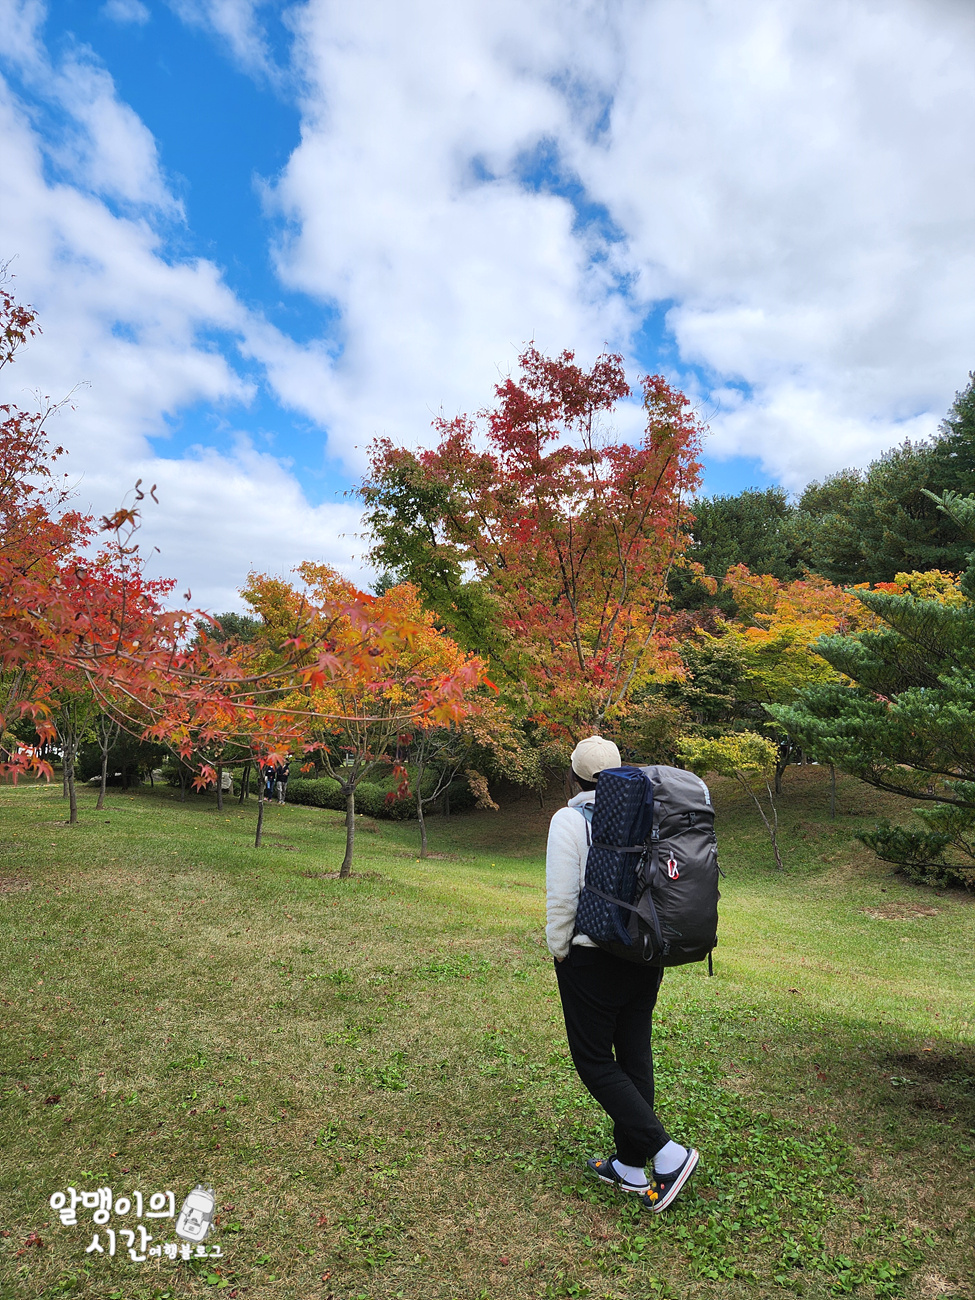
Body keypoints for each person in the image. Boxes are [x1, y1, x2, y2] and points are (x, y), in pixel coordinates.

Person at [546, 735, 699, 1212]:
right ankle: (630, 1167)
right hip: (643, 954)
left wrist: (559, 950)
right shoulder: (647, 812)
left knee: (593, 1059)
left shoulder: (569, 819)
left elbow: (563, 897)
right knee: (634, 1053)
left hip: (590, 956)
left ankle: (667, 1154)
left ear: (574, 775)